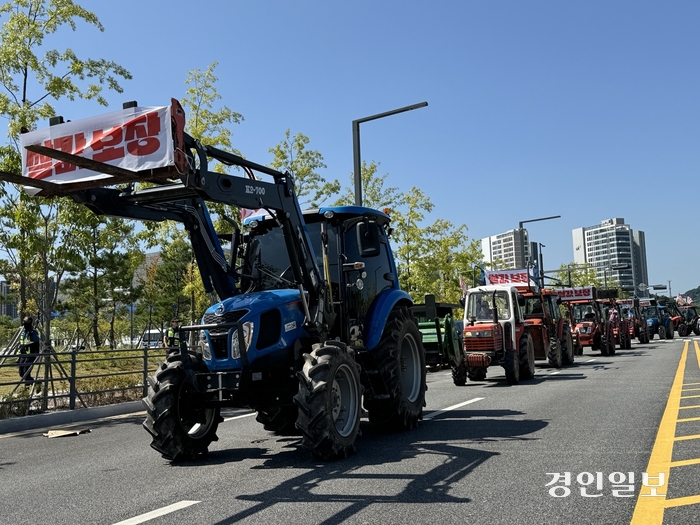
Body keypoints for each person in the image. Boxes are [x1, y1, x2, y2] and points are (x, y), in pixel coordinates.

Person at [18, 316, 40, 384]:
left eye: (25, 321)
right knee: (21, 373)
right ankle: (35, 383)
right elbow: (21, 343)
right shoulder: (23, 332)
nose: (24, 323)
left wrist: (35, 354)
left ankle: (29, 388)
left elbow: (36, 343)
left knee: (26, 374)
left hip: (30, 354)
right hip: (22, 355)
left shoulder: (32, 332)